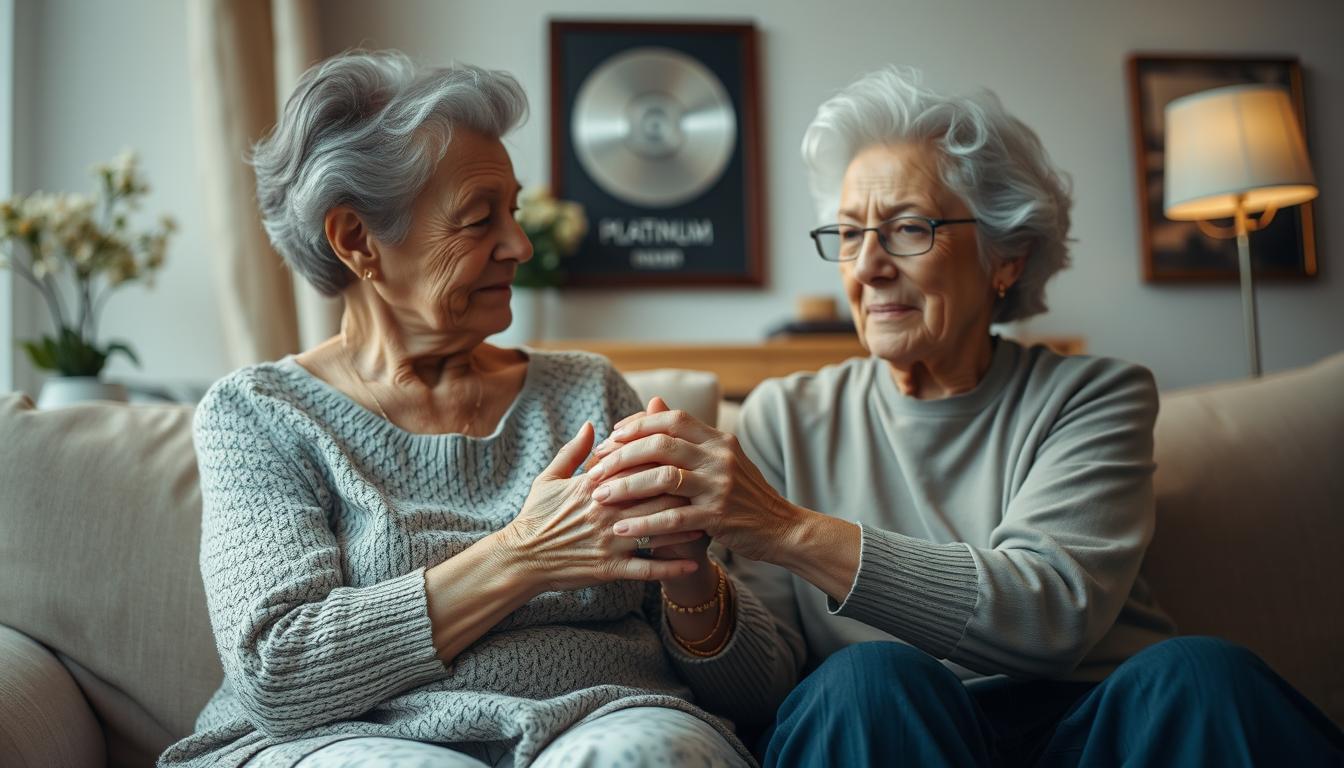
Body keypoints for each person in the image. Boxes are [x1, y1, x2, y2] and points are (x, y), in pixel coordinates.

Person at [585, 66, 1344, 766]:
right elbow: (765, 686)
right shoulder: (786, 417)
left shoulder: (1094, 396)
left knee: (1201, 673)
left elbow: (1051, 612)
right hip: (893, 731)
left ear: (1005, 256)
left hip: (1099, 731)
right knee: (867, 679)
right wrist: (691, 582)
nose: (870, 265)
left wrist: (788, 529)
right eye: (849, 233)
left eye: (909, 228)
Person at [159, 50, 799, 768]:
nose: (520, 245)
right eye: (477, 220)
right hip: (346, 740)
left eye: (514, 211)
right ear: (357, 240)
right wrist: (522, 556)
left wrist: (689, 572)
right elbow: (279, 674)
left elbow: (761, 694)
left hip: (602, 722)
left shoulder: (588, 393)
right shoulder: (263, 415)